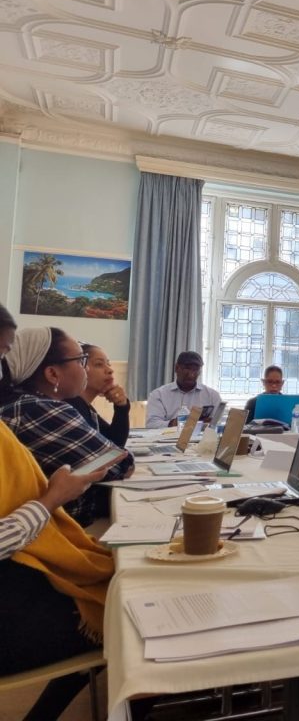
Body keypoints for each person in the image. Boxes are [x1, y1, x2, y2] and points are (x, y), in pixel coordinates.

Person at [0, 303, 116, 720]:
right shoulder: (32, 408)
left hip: (18, 576)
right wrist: (51, 499)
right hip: (10, 608)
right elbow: (117, 460)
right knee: (136, 612)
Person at [0, 327, 132, 528]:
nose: (85, 368)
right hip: (57, 530)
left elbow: (113, 450)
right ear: (53, 374)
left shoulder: (24, 403)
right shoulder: (39, 410)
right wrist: (119, 457)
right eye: (81, 361)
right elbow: (120, 465)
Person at [66, 343, 131, 447]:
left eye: (108, 364)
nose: (110, 370)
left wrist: (121, 407)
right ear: (80, 369)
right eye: (99, 364)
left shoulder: (84, 405)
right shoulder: (72, 407)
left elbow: (115, 442)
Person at [145, 351, 222, 428]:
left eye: (195, 370)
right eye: (187, 369)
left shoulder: (212, 395)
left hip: (201, 439)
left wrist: (206, 423)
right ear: (176, 368)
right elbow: (152, 424)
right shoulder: (158, 395)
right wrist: (174, 423)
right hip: (169, 439)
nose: (191, 374)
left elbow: (219, 423)